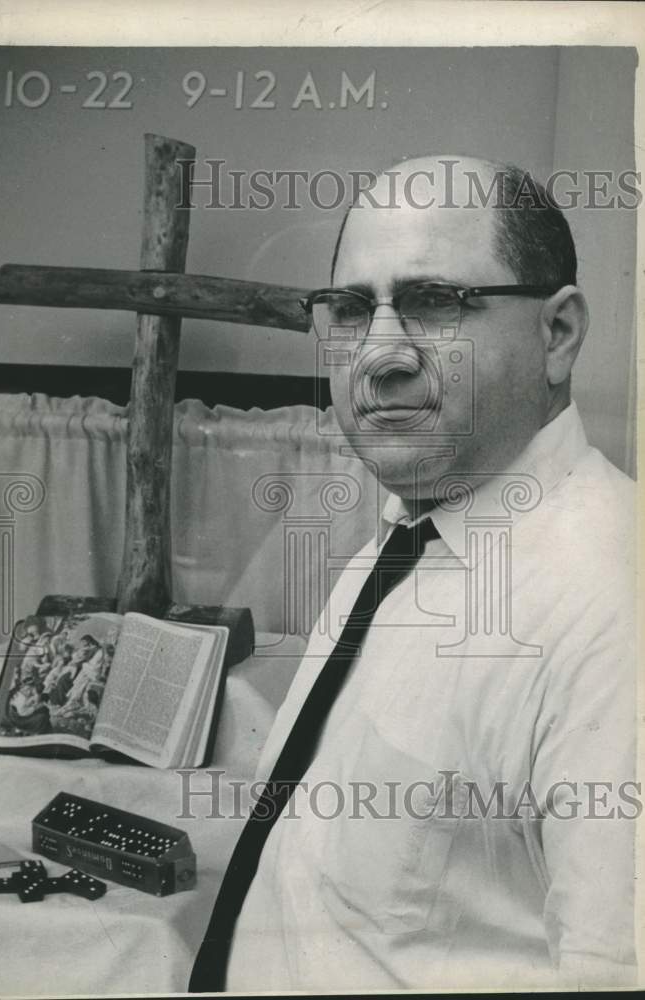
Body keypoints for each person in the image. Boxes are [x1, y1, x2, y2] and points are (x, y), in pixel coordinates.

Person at [190, 156, 636, 992]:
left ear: (559, 333)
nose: (380, 356)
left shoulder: (613, 611)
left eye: (435, 301)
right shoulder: (405, 531)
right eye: (352, 310)